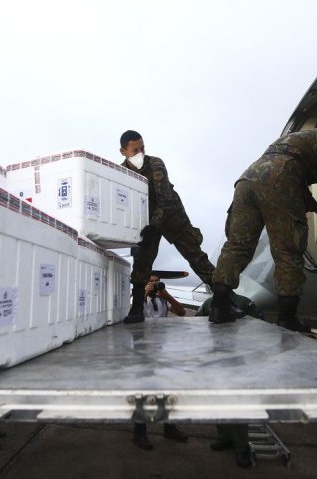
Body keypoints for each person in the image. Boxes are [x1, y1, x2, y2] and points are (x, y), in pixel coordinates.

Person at [208, 115, 317, 329]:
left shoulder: (293, 140)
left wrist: (315, 207)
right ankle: (287, 318)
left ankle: (219, 307)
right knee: (288, 250)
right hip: (279, 181)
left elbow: (288, 172)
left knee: (237, 246)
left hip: (246, 182)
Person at [119, 130, 215, 324]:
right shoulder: (120, 172)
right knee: (141, 261)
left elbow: (165, 199)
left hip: (171, 216)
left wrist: (154, 226)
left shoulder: (155, 164)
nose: (140, 153)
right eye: (135, 150)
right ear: (123, 151)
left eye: (142, 148)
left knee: (196, 256)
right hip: (146, 221)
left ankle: (225, 300)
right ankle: (137, 310)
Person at [130, 273, 189, 450]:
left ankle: (169, 427)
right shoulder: (139, 299)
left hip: (162, 349)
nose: (154, 285)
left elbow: (182, 312)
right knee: (142, 391)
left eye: (157, 282)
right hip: (142, 350)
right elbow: (131, 312)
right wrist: (143, 294)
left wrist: (167, 296)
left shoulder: (163, 299)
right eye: (151, 282)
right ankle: (139, 432)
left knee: (166, 389)